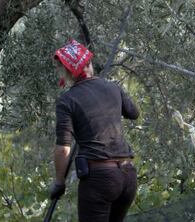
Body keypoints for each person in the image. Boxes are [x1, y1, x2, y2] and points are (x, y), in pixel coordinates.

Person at [49, 39, 139, 222]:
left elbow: (63, 148)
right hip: (128, 176)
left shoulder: (67, 101)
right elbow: (134, 113)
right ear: (89, 64)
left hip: (101, 180)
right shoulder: (113, 87)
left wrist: (59, 182)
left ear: (67, 72)